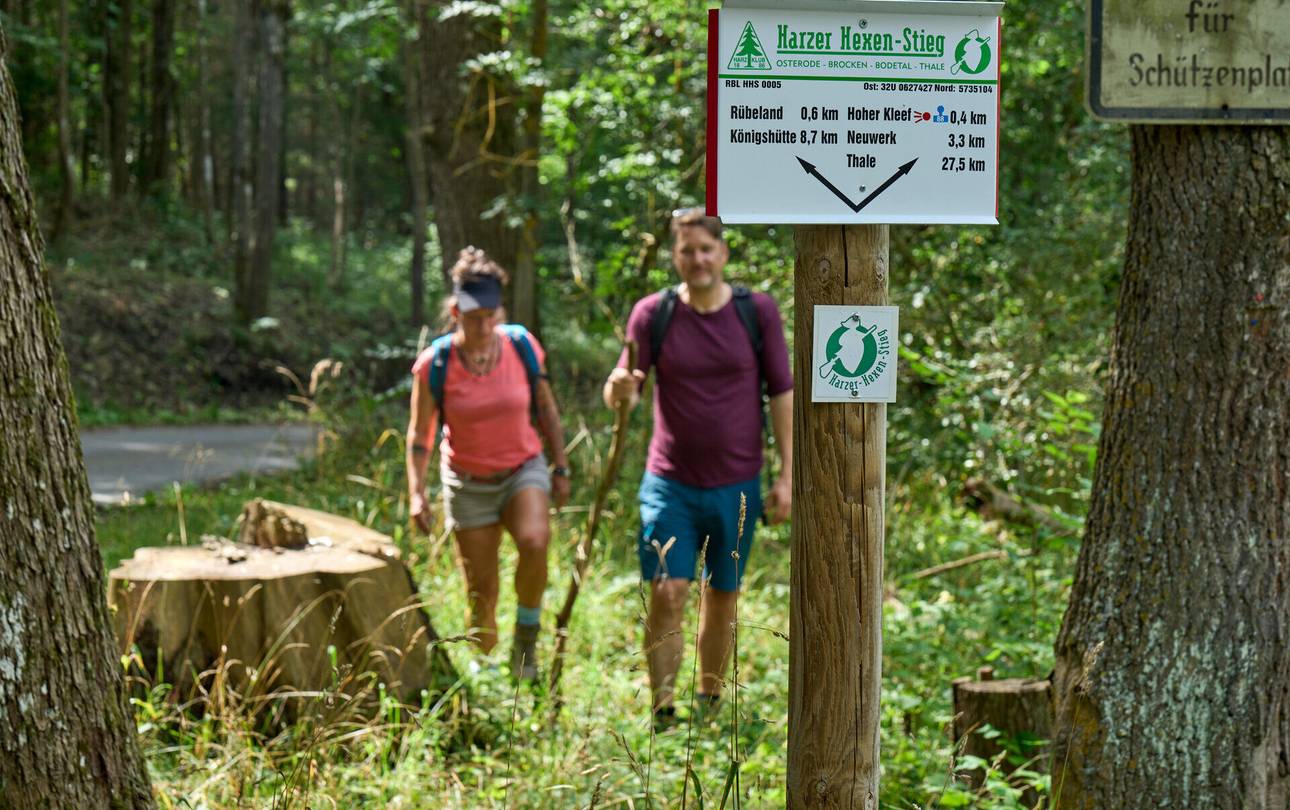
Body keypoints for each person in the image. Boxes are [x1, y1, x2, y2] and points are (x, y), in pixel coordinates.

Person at [603, 208, 793, 722]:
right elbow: (626, 390)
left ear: (723, 254)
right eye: (687, 250)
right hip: (670, 484)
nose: (698, 259)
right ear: (675, 257)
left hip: (737, 485)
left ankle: (709, 701)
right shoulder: (652, 314)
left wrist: (787, 475)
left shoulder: (757, 312)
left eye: (706, 249)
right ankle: (663, 710)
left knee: (723, 596)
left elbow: (781, 392)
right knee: (668, 590)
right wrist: (616, 388)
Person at [407, 247, 571, 680]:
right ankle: (485, 658)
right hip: (467, 481)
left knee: (535, 542)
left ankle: (527, 643)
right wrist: (417, 493)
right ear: (455, 311)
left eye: (490, 316)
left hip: (523, 468)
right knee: (482, 586)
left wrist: (561, 464)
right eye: (472, 316)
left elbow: (547, 409)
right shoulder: (435, 365)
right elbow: (420, 435)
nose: (482, 326)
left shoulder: (520, 345)